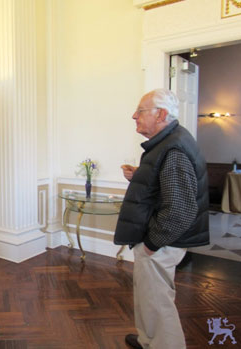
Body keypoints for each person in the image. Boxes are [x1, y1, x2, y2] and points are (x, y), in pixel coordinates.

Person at [114, 88, 209, 349]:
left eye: (140, 111)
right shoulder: (168, 143)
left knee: (157, 301)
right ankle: (148, 340)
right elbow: (166, 185)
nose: (134, 116)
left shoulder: (173, 148)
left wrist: (152, 244)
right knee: (148, 297)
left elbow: (180, 209)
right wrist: (140, 175)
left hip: (161, 241)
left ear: (161, 114)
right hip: (158, 238)